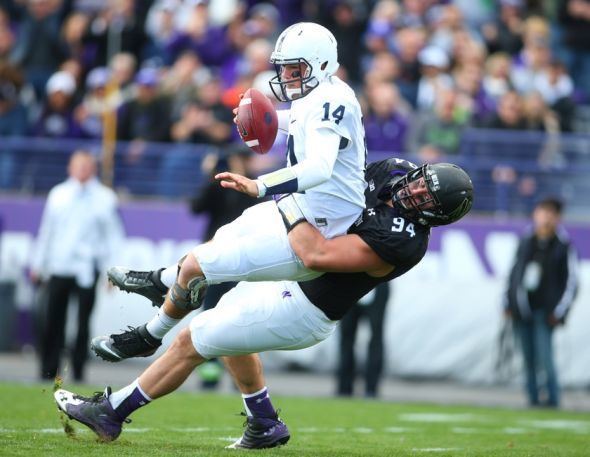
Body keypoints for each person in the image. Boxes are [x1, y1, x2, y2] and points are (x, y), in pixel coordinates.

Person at [55, 158, 474, 449]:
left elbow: (316, 254)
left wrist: (290, 197)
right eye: (420, 181)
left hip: (306, 307)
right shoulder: (394, 170)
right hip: (289, 279)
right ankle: (265, 422)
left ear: (434, 217)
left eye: (426, 197)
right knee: (226, 292)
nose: (414, 190)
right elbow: (337, 188)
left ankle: (111, 412)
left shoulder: (405, 241)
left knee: (195, 339)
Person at [91, 22, 367, 362]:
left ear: (322, 64)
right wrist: (262, 117)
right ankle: (162, 279)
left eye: (295, 69)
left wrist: (260, 184)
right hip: (300, 211)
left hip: (320, 230)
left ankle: (150, 334)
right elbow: (298, 121)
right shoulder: (319, 94)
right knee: (221, 237)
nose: (287, 77)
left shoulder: (331, 99)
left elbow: (320, 167)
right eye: (284, 69)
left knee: (201, 263)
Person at [30, 151, 124, 382]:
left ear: (93, 168)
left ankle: (79, 369)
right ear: (70, 168)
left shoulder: (104, 197)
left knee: (83, 323)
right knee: (53, 319)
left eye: (86, 165)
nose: (82, 170)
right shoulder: (58, 194)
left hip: (87, 267)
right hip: (60, 265)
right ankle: (48, 368)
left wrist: (111, 272)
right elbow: (47, 231)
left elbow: (113, 238)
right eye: (78, 165)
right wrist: (38, 263)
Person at [503, 197, 579, 408]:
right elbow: (514, 274)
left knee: (545, 358)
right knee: (528, 358)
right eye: (542, 212)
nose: (545, 218)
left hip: (546, 312)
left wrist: (560, 311)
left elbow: (572, 282)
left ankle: (553, 399)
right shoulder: (526, 241)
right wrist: (508, 303)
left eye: (550, 214)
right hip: (523, 308)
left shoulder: (563, 246)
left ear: (557, 218)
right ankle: (533, 399)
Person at [337, 282, 391, 398]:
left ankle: (372, 389)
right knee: (346, 337)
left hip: (377, 282)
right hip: (350, 283)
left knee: (376, 337)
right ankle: (344, 387)